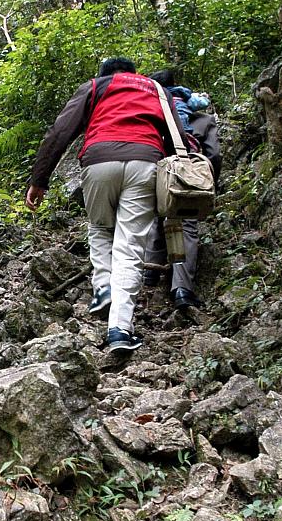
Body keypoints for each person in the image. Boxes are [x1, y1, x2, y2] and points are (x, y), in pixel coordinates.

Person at [25, 57, 189, 353]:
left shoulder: (95, 86)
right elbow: (176, 135)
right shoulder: (155, 88)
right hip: (145, 161)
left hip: (98, 161)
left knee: (100, 228)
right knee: (130, 247)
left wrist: (40, 179)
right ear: (132, 74)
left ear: (104, 75)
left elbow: (60, 132)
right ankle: (120, 331)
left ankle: (103, 287)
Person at [143, 69, 221, 309]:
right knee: (186, 227)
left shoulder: (149, 114)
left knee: (155, 219)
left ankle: (150, 276)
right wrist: (210, 181)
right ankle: (182, 290)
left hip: (156, 170)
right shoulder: (201, 118)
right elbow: (214, 154)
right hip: (187, 173)